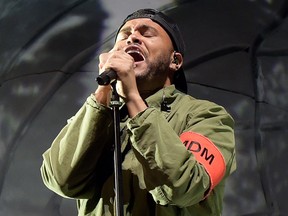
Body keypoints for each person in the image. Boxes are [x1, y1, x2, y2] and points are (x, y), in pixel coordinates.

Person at [41, 8, 236, 216]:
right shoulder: (100, 116)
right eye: (125, 35)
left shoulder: (209, 117)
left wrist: (133, 97)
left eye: (147, 33)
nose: (133, 37)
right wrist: (102, 92)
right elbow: (61, 181)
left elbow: (185, 185)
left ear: (175, 61)